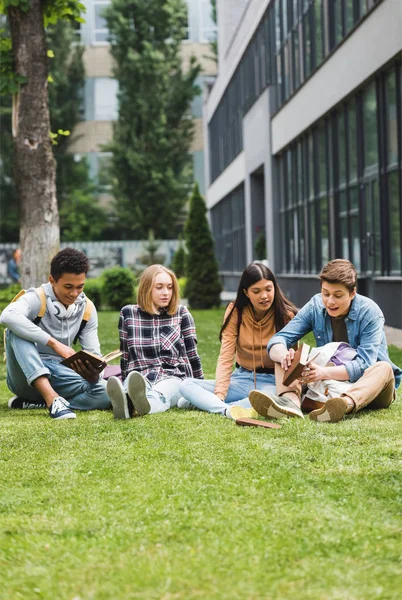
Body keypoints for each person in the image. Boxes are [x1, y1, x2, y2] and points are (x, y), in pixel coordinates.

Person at [249, 259, 402, 423]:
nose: (330, 301)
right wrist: (284, 355)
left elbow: (364, 364)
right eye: (325, 293)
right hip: (329, 382)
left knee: (384, 368)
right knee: (284, 354)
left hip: (370, 386)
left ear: (352, 293)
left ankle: (344, 404)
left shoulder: (370, 312)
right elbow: (279, 339)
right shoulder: (315, 306)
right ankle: (291, 403)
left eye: (338, 295)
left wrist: (322, 372)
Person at [178, 262, 303, 419]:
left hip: (271, 383)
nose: (264, 296)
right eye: (256, 291)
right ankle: (225, 409)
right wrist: (219, 394)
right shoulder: (235, 312)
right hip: (241, 379)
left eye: (268, 289)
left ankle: (205, 403)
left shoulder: (286, 315)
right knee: (186, 385)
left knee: (270, 398)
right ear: (246, 292)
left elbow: (292, 362)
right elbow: (226, 356)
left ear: (274, 288)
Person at [0, 248, 111, 420]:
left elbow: (94, 353)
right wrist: (54, 343)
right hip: (24, 378)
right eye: (68, 287)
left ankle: (41, 401)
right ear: (52, 280)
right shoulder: (35, 298)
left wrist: (94, 373)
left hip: (60, 374)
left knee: (105, 392)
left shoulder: (87, 308)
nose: (74, 294)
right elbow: (7, 316)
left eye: (79, 287)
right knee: (16, 330)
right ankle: (52, 401)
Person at [107, 264, 203, 419]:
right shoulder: (128, 314)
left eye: (169, 287)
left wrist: (199, 388)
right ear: (146, 288)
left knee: (160, 393)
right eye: (159, 287)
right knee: (135, 386)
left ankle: (136, 406)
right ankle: (127, 398)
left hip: (172, 377)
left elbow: (193, 355)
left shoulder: (181, 313)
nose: (166, 293)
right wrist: (126, 380)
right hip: (139, 376)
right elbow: (126, 355)